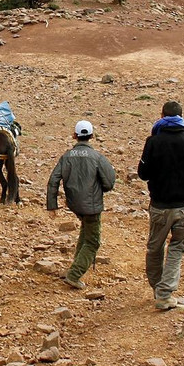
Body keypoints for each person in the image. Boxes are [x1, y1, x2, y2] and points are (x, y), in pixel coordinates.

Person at [137, 101, 184, 310]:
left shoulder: (153, 141)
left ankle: (157, 289)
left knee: (154, 248)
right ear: (181, 116)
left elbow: (143, 173)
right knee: (177, 247)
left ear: (162, 115)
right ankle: (165, 293)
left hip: (159, 206)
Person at [46, 120, 116, 289]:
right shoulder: (97, 157)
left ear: (75, 136)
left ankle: (75, 267)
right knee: (93, 242)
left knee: (86, 233)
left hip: (74, 204)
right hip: (92, 206)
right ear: (91, 136)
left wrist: (52, 205)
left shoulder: (67, 156)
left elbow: (53, 180)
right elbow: (109, 183)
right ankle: (74, 274)